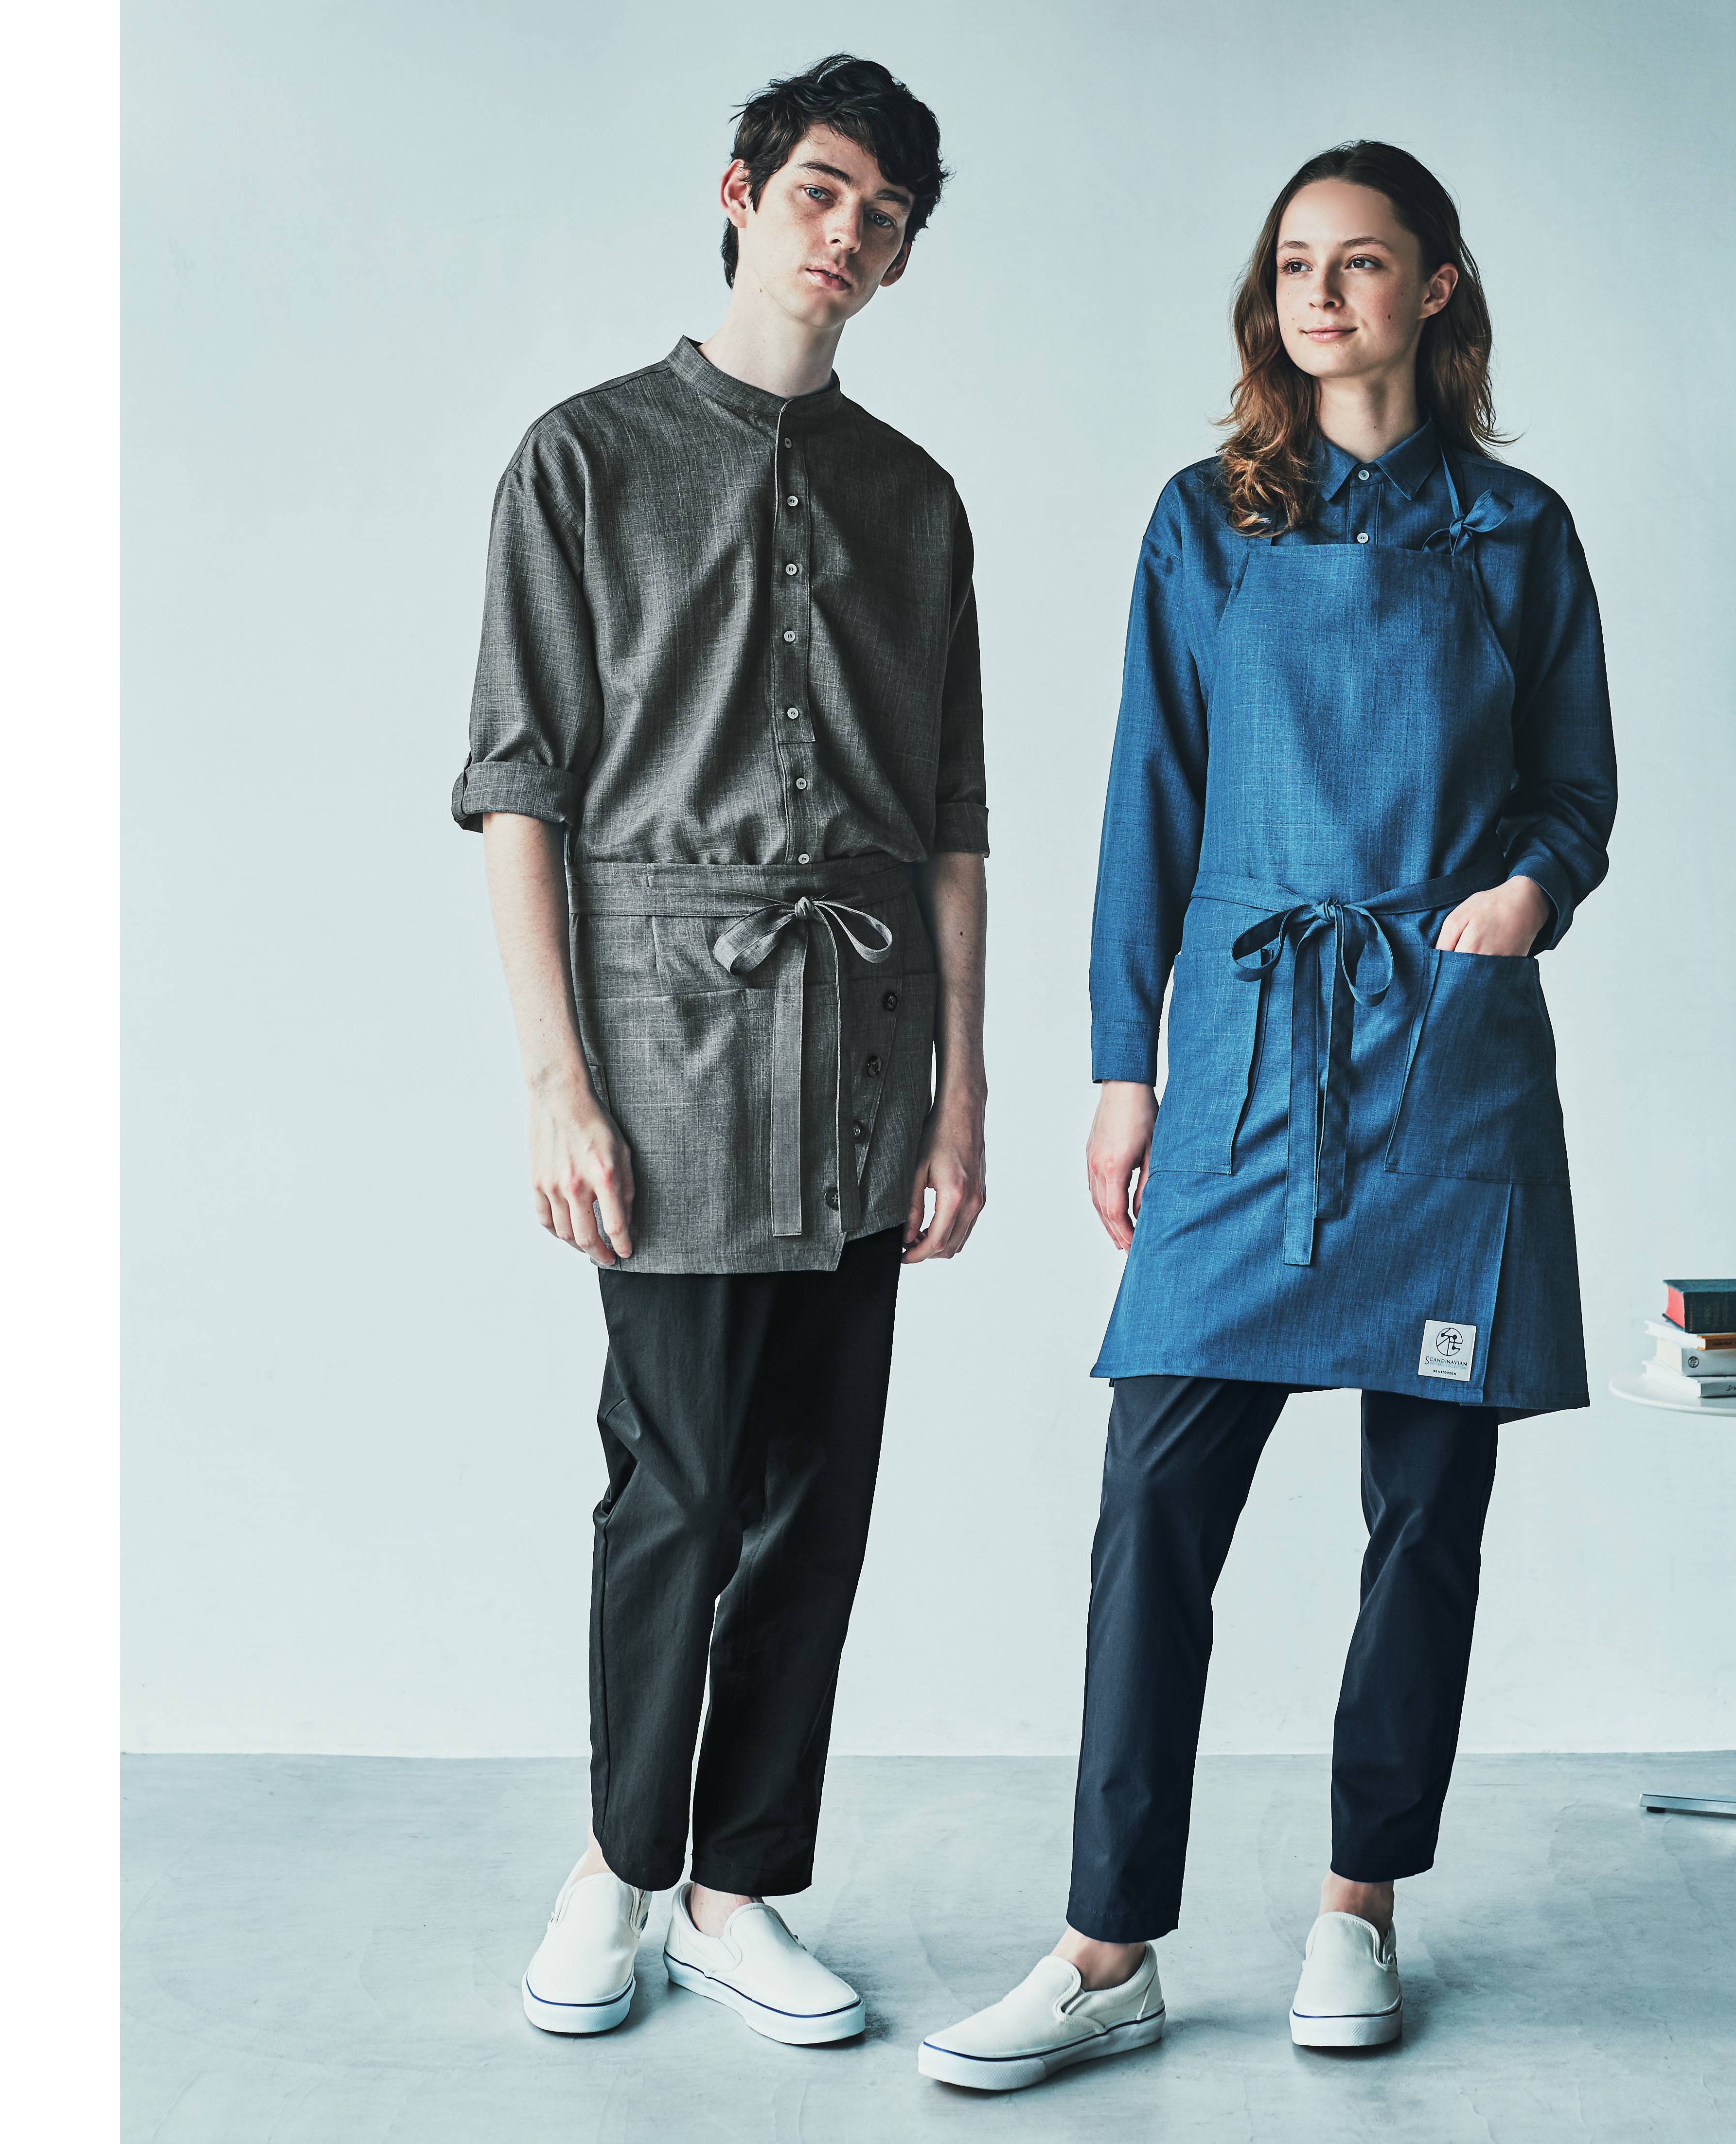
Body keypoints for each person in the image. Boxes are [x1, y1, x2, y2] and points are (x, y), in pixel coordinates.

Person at [920, 140, 1615, 2091]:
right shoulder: (1202, 520)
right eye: (1295, 261)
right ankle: (1104, 1943)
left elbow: (1572, 787)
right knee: (1154, 1500)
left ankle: (1355, 1902)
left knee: (1425, 1515)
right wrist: (1119, 1065)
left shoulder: (1517, 532)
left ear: (1434, 288)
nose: (1319, 291)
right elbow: (1145, 796)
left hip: (1441, 1053)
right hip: (1242, 1051)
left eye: (1359, 260)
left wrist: (1523, 893)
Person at [453, 53, 989, 2045]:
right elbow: (519, 787)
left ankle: (739, 1883)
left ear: (902, 257)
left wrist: (962, 1092)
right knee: (673, 1481)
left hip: (862, 1049)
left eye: (885, 217)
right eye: (822, 192)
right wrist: (554, 1079)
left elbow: (950, 820)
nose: (847, 234)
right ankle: (616, 1863)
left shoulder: (914, 501)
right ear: (742, 192)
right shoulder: (582, 460)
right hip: (665, 1043)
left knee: (813, 1492)